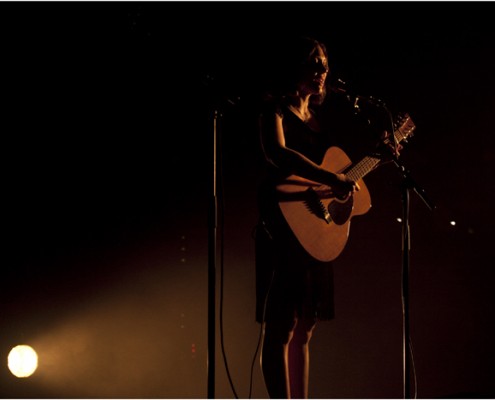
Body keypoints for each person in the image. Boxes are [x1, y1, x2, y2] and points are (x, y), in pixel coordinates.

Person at [253, 35, 398, 399]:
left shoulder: (319, 121)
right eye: (314, 62)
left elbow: (337, 194)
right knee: (280, 328)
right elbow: (277, 153)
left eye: (325, 64)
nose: (322, 70)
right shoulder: (274, 110)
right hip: (283, 229)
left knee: (306, 328)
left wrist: (348, 190)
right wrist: (332, 178)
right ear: (295, 67)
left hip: (314, 234)